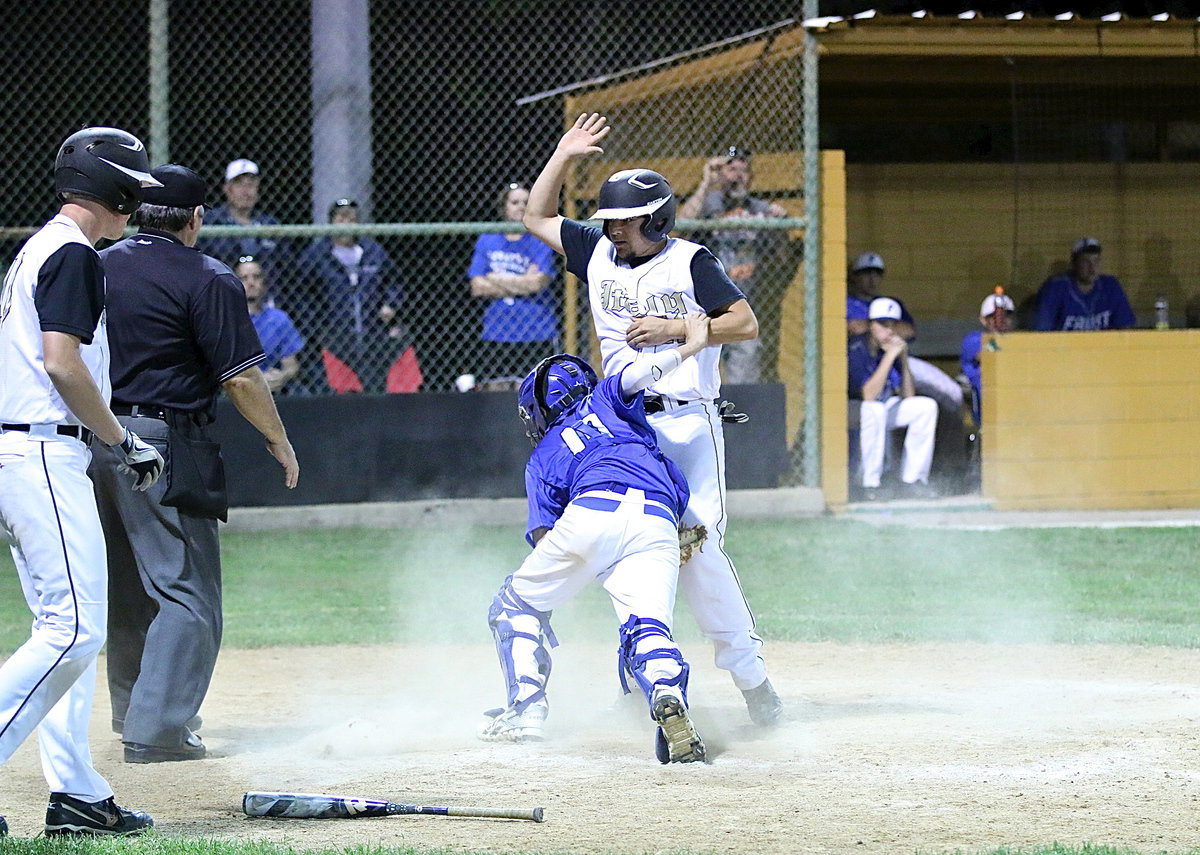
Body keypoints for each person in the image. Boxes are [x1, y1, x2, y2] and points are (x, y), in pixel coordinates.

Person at [523, 112, 782, 727]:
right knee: (630, 543)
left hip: (688, 422)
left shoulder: (691, 261)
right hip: (624, 424)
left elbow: (744, 323)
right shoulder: (600, 253)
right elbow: (535, 217)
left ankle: (750, 681)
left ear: (658, 219)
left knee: (697, 548)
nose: (612, 232)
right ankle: (643, 675)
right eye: (608, 222)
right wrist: (562, 155)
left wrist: (679, 329)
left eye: (625, 223)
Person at [93, 163, 300, 765]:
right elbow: (241, 378)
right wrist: (278, 440)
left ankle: (135, 709)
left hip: (96, 433)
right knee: (188, 591)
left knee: (131, 584)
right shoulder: (208, 276)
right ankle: (157, 731)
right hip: (162, 438)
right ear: (196, 218)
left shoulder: (98, 264)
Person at [0, 127, 164, 836]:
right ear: (114, 189)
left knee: (67, 631)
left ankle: (75, 793)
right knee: (73, 630)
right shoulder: (70, 253)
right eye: (134, 191)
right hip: (42, 452)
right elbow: (63, 364)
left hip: (30, 450)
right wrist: (122, 438)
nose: (138, 206)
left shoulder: (40, 247)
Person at [479, 314, 711, 763]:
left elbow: (548, 538)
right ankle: (665, 690)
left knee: (516, 604)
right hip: (658, 519)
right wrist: (692, 344)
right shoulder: (607, 399)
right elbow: (641, 372)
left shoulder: (542, 457)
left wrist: (585, 564)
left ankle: (526, 711)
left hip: (591, 511)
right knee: (647, 625)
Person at [679, 146, 788, 383]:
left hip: (743, 304)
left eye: (744, 170)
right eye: (731, 169)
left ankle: (740, 421)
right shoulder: (707, 203)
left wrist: (780, 227)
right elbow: (682, 228)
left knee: (744, 375)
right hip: (704, 307)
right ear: (721, 173)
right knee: (697, 375)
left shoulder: (760, 210)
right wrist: (706, 182)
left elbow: (781, 257)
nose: (738, 175)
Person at [298, 198, 419, 394]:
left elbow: (394, 282)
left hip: (372, 332)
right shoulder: (317, 254)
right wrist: (317, 326)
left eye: (352, 218)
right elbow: (302, 293)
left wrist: (390, 303)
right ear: (332, 222)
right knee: (342, 391)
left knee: (376, 384)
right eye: (341, 217)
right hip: (334, 338)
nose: (347, 223)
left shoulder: (372, 251)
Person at [467, 183, 559, 387]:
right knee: (494, 389)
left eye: (526, 202)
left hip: (536, 331)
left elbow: (538, 283)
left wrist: (494, 278)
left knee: (536, 391)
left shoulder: (540, 239)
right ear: (504, 207)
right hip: (497, 331)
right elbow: (477, 286)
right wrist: (522, 281)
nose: (520, 206)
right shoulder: (488, 239)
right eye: (514, 202)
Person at [848, 297, 938, 500]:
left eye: (892, 325)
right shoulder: (857, 348)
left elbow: (908, 396)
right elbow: (868, 395)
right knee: (874, 410)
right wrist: (889, 358)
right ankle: (869, 484)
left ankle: (913, 481)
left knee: (925, 407)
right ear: (871, 325)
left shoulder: (890, 348)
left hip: (879, 408)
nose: (888, 330)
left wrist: (903, 358)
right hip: (851, 408)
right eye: (882, 324)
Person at [197, 159, 289, 279]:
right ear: (227, 189)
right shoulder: (211, 221)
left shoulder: (270, 223)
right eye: (239, 184)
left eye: (251, 185)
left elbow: (286, 266)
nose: (246, 192)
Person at [1034, 237, 1136, 332]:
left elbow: (1126, 328)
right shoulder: (1056, 288)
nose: (1092, 268)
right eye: (1085, 261)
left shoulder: (1110, 286)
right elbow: (1042, 331)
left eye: (1096, 261)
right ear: (1074, 264)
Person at [235, 256, 304, 394]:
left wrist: (281, 376)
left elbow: (291, 365)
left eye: (256, 277)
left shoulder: (279, 319)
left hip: (274, 389)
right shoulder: (223, 319)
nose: (251, 283)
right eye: (244, 278)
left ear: (264, 282)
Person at [960, 290, 1015, 426]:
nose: (1001, 320)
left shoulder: (1016, 339)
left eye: (1006, 315)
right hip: (985, 404)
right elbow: (992, 355)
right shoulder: (973, 339)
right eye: (994, 316)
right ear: (983, 320)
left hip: (1014, 397)